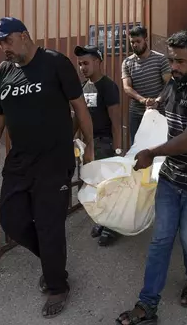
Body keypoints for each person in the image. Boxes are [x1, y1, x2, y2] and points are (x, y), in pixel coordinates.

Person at [0, 17, 94, 318]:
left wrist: (90, 145)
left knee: (48, 223)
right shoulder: (3, 72)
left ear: (24, 36)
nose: (3, 47)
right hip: (20, 160)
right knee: (12, 221)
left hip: (55, 160)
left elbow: (79, 106)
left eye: (7, 40)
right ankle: (52, 260)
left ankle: (57, 284)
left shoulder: (55, 63)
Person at [116, 31, 187, 325]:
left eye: (181, 61)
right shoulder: (175, 85)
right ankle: (147, 304)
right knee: (161, 240)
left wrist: (151, 152)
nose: (174, 66)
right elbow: (163, 114)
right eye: (171, 60)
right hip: (172, 176)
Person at [74, 45, 122, 247]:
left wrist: (118, 151)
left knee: (108, 187)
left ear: (98, 61)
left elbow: (116, 122)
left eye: (86, 63)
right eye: (80, 64)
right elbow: (78, 117)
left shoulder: (108, 86)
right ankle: (102, 221)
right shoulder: (83, 88)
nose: (82, 67)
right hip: (87, 145)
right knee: (94, 186)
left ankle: (113, 227)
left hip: (104, 144)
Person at [121, 26, 171, 145]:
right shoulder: (127, 62)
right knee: (137, 148)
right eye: (132, 42)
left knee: (161, 147)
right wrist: (143, 100)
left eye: (138, 41)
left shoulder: (160, 59)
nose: (135, 45)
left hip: (160, 112)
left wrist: (157, 101)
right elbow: (127, 87)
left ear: (146, 40)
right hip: (137, 114)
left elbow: (169, 84)